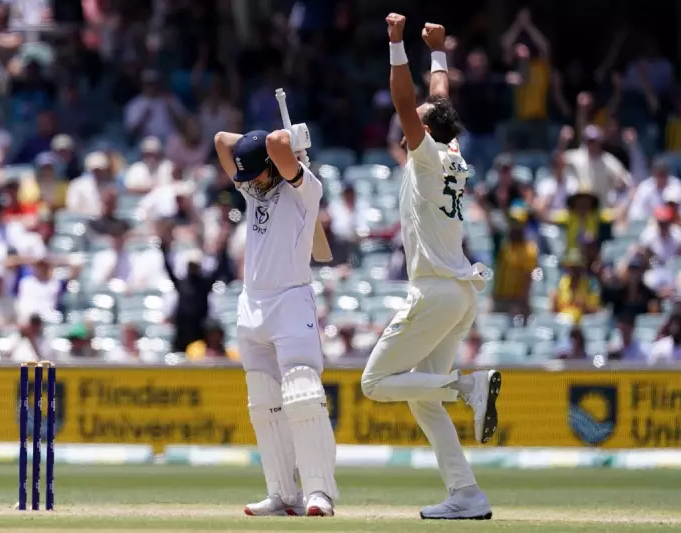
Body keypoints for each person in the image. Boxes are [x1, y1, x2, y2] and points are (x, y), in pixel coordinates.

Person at [360, 16, 498, 521]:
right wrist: (437, 53)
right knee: (423, 399)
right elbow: (437, 104)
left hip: (436, 291)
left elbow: (406, 102)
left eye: (415, 122)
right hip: (458, 293)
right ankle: (467, 495)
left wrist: (396, 44)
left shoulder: (428, 159)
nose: (407, 125)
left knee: (374, 384)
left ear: (425, 132)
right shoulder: (454, 152)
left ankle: (468, 387)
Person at [213, 132, 338, 512]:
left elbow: (280, 142)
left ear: (274, 164)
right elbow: (221, 140)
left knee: (303, 397)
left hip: (290, 302)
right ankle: (283, 494)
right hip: (251, 305)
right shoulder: (254, 189)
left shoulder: (306, 189)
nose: (250, 182)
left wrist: (289, 142)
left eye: (257, 173)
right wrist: (258, 144)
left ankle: (319, 493)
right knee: (263, 405)